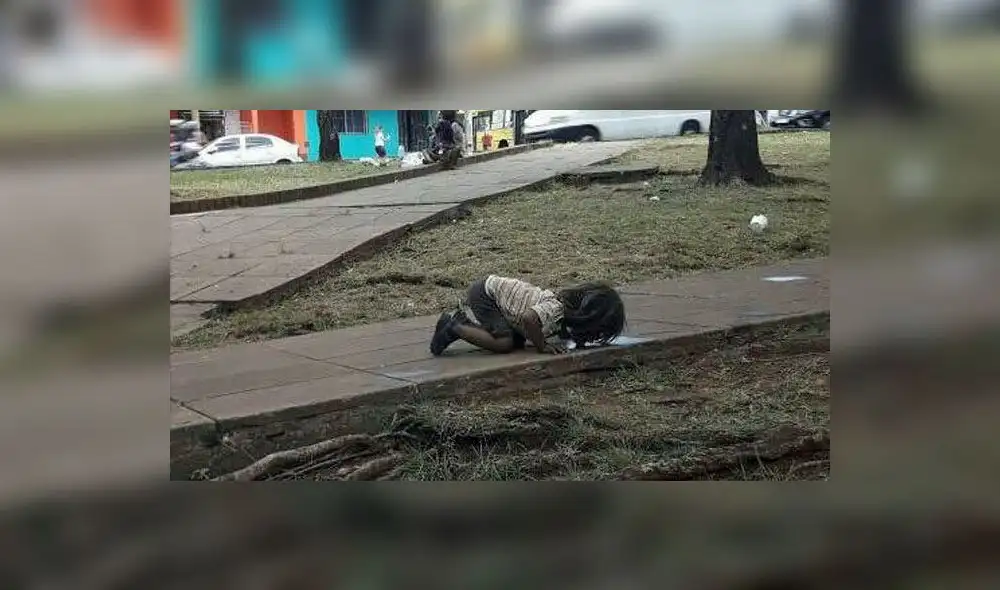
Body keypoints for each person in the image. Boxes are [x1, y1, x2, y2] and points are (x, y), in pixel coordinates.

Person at [429, 275, 626, 357]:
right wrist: (542, 346)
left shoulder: (561, 314)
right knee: (505, 343)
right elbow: (528, 319)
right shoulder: (555, 308)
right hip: (486, 295)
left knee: (516, 342)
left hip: (494, 294)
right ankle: (454, 326)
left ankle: (462, 323)